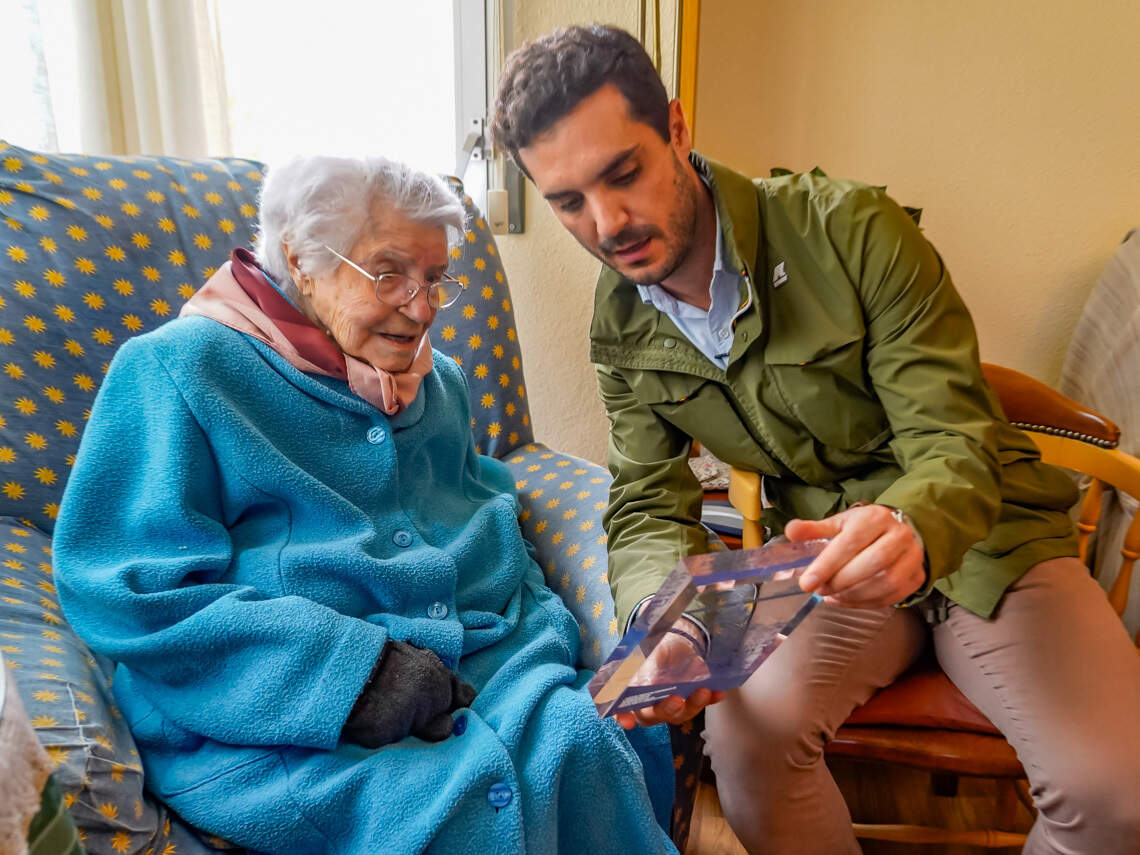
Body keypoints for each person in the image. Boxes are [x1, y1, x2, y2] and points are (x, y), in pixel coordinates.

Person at [491, 24, 1140, 855]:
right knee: (744, 748)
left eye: (624, 174)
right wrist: (671, 622)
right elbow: (648, 500)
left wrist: (911, 523)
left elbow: (955, 435)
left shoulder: (853, 228)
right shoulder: (618, 326)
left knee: (1117, 793)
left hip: (992, 533)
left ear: (678, 130)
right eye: (568, 201)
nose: (608, 222)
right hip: (820, 558)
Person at [53, 154, 677, 855]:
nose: (422, 307)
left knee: (583, 742)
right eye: (389, 274)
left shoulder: (437, 381)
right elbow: (126, 591)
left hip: (484, 674)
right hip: (286, 719)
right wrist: (355, 675)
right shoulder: (180, 369)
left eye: (435, 278)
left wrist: (535, 635)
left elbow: (482, 515)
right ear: (301, 259)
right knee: (445, 810)